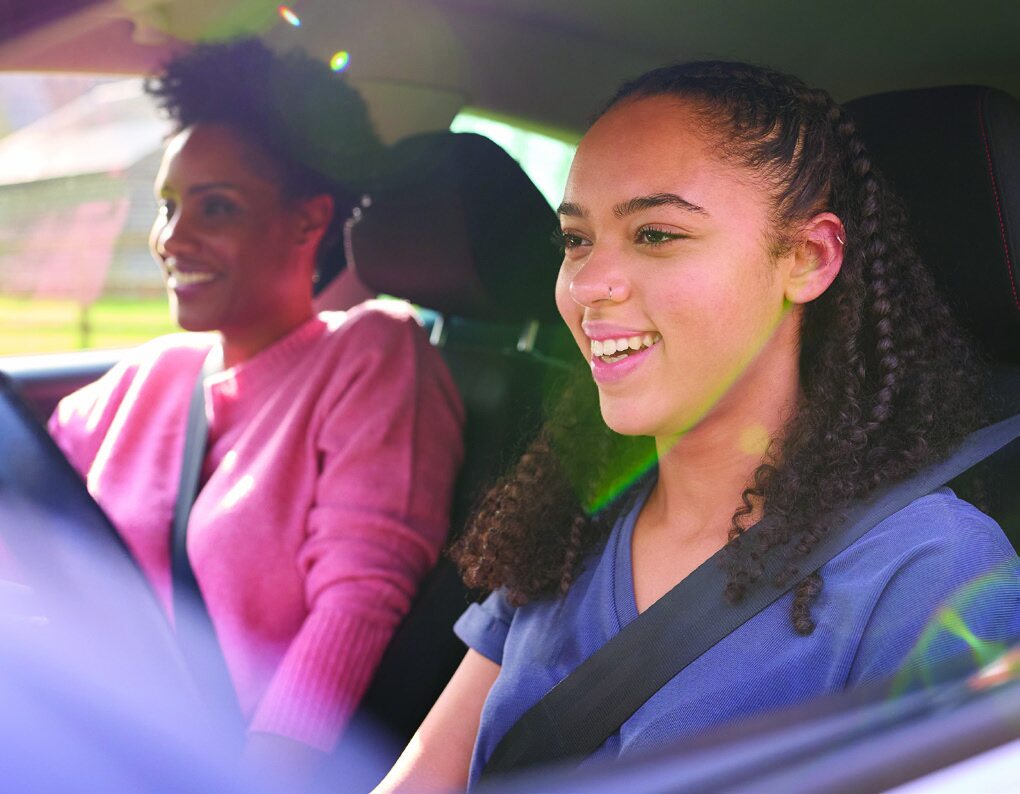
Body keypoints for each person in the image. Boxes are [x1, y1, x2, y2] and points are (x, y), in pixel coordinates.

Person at [375, 61, 1019, 791]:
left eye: (655, 234)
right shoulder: (567, 517)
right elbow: (426, 773)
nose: (587, 286)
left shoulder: (933, 571)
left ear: (807, 260)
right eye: (577, 240)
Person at [48, 38, 464, 763]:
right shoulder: (146, 377)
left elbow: (359, 598)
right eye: (169, 205)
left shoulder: (373, 354)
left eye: (216, 208)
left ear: (308, 221)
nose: (173, 238)